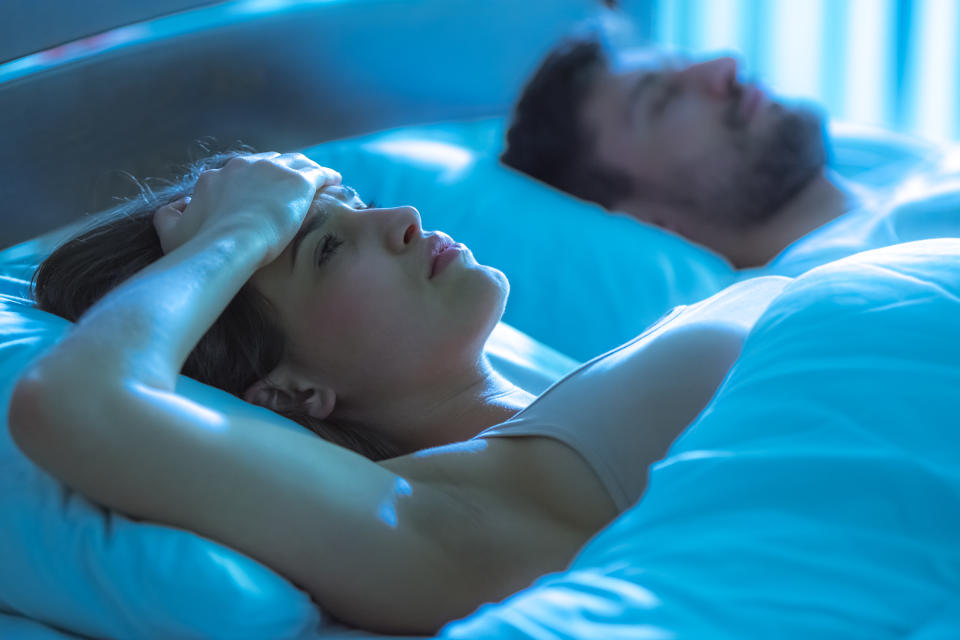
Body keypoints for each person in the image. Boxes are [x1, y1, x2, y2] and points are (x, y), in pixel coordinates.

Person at [8, 151, 789, 634]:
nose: (405, 217)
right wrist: (237, 232)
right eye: (326, 247)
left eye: (356, 202)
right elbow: (76, 404)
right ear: (289, 393)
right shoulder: (442, 510)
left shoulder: (550, 379)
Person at [502, 33, 910, 271]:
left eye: (685, 63)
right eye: (662, 100)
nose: (725, 66)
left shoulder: (920, 180)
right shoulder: (833, 304)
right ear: (647, 220)